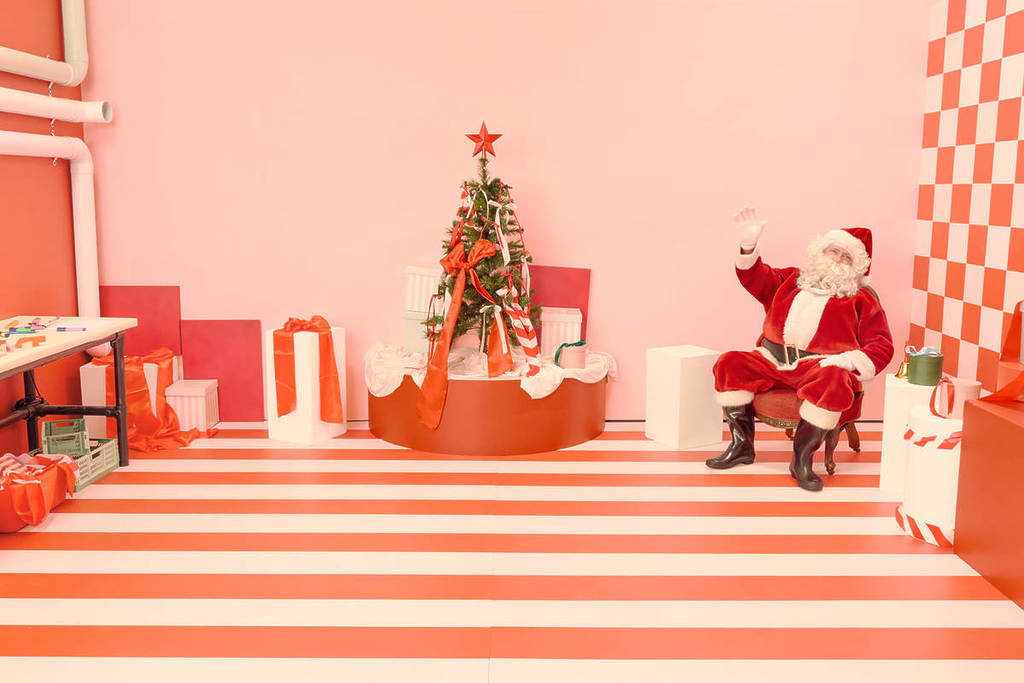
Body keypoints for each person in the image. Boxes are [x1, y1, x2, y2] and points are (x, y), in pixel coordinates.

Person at [707, 208, 894, 491]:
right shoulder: (790, 281)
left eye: (847, 257)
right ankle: (742, 446)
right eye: (834, 251)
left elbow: (881, 346)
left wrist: (845, 362)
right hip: (771, 360)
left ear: (856, 267)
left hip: (817, 368)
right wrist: (748, 246)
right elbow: (755, 278)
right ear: (820, 252)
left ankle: (801, 460)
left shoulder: (862, 299)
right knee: (730, 362)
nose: (838, 260)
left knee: (834, 381)